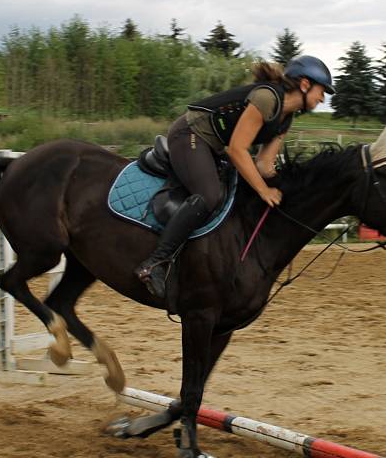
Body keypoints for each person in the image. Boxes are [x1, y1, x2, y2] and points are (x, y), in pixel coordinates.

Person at [135, 55, 335, 299]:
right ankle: (155, 263)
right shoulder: (267, 98)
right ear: (305, 84)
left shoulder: (286, 118)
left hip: (212, 146)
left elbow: (263, 165)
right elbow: (238, 149)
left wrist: (285, 187)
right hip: (190, 134)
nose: (323, 98)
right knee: (209, 195)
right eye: (322, 90)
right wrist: (263, 190)